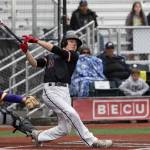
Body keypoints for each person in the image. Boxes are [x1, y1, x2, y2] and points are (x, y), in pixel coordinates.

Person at [19, 31, 113, 148]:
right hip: (51, 91)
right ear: (64, 42)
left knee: (65, 128)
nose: (74, 44)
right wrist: (26, 51)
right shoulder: (50, 57)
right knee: (71, 112)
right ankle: (92, 140)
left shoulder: (74, 55)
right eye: (71, 41)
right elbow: (35, 63)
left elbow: (57, 50)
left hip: (65, 91)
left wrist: (37, 41)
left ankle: (39, 136)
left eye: (76, 43)